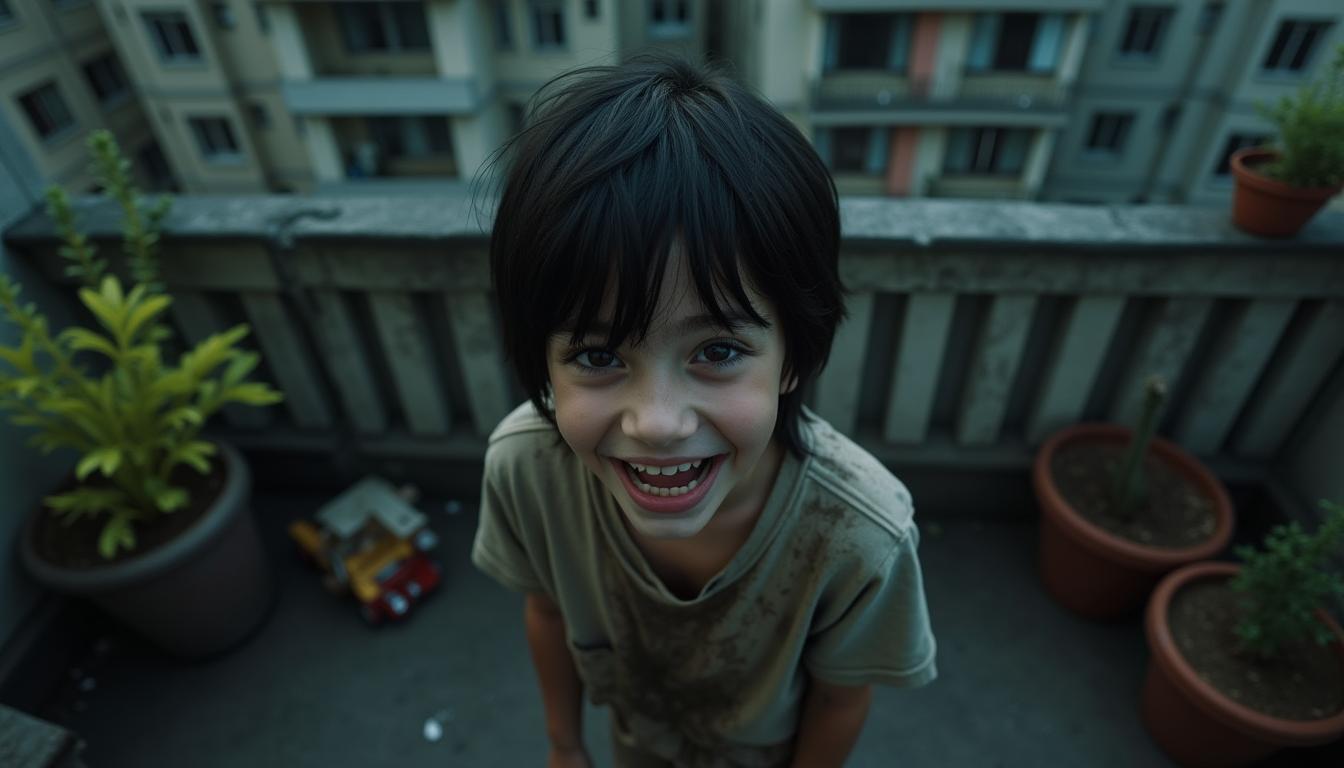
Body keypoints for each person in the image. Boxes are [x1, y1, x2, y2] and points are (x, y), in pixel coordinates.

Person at [470, 51, 937, 768]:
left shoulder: (860, 536)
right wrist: (564, 747)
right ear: (542, 361)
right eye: (598, 357)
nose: (657, 423)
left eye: (716, 352)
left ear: (795, 356)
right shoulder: (527, 472)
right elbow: (547, 610)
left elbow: (840, 699)